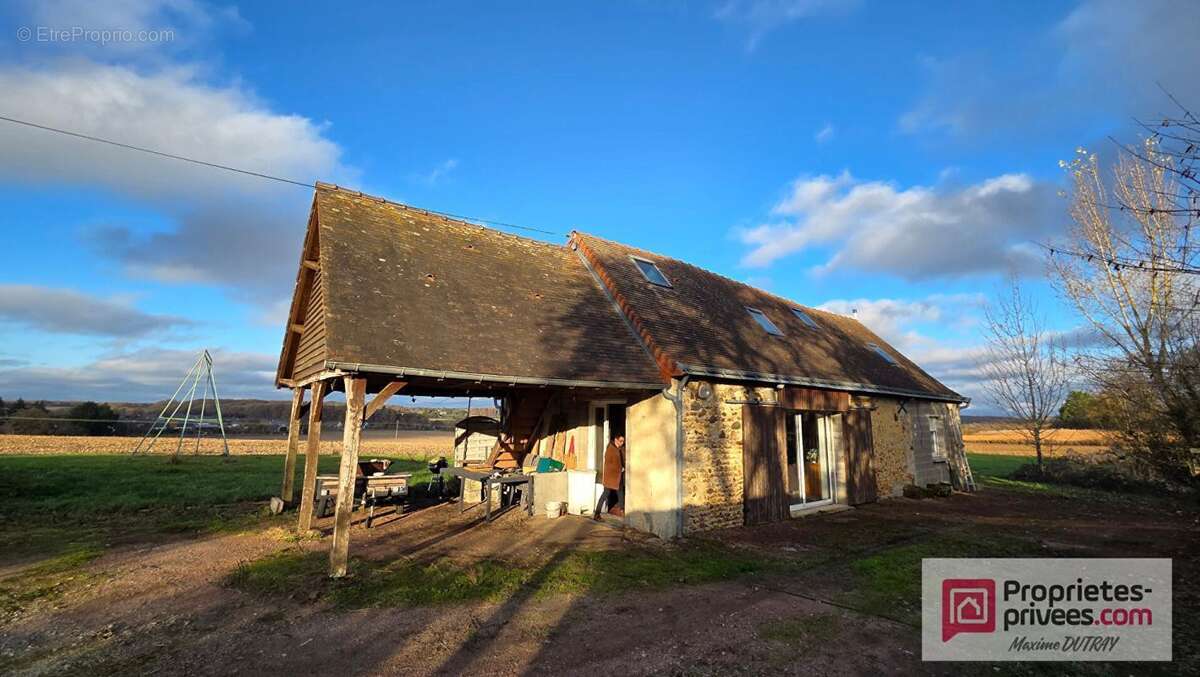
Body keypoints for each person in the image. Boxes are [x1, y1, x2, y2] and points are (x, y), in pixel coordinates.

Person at [594, 434, 625, 519]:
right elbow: (609, 464)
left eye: (623, 441)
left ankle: (622, 510)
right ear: (616, 439)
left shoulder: (618, 449)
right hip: (611, 477)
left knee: (620, 493)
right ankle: (597, 513)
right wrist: (620, 468)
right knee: (606, 494)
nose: (622, 443)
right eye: (621, 441)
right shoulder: (611, 449)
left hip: (616, 477)